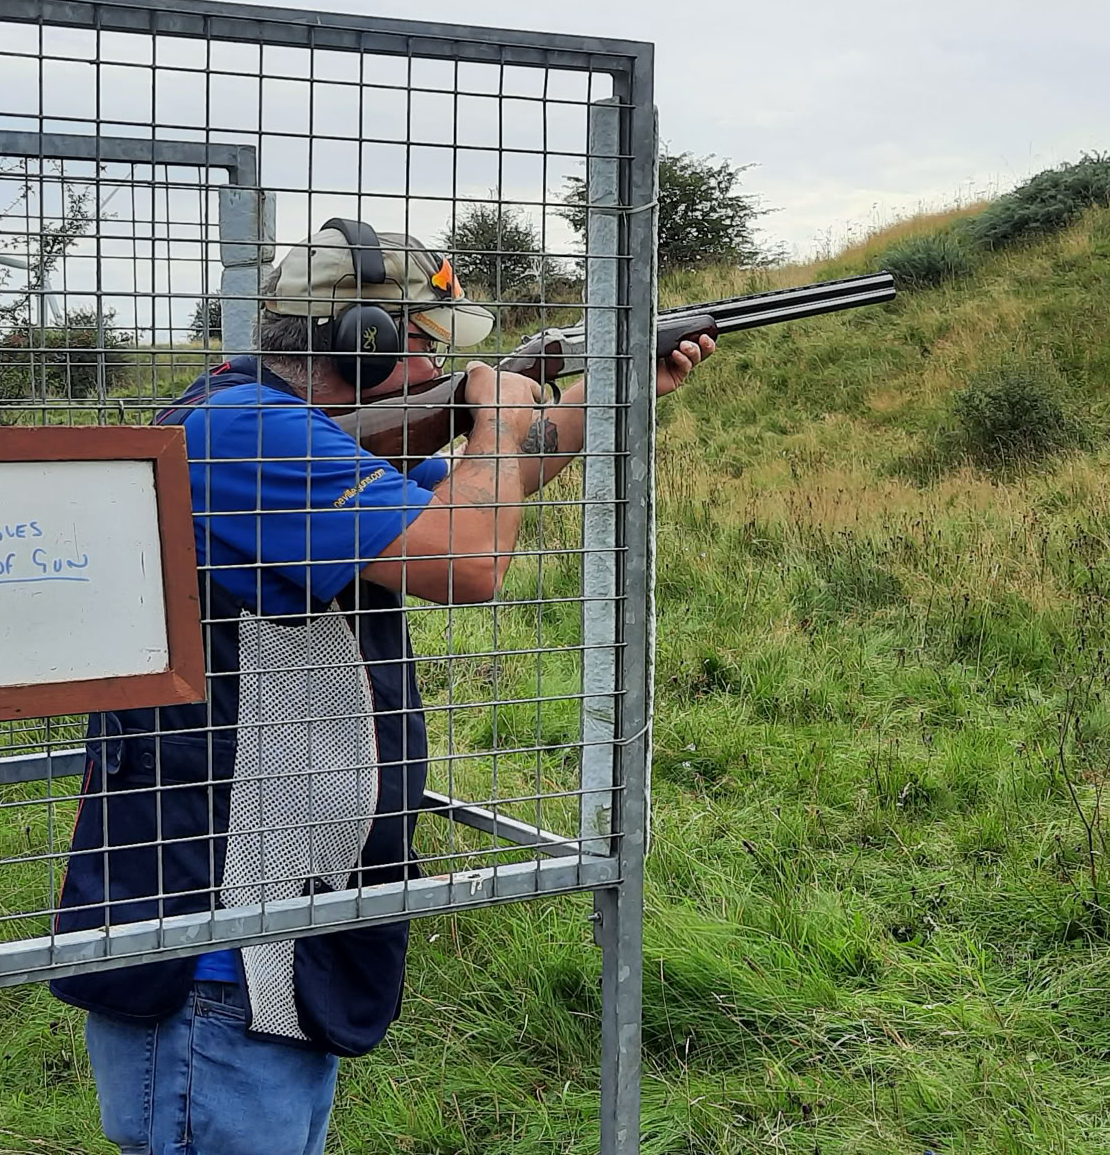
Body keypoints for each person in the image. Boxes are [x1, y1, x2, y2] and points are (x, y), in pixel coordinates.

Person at [50, 218, 713, 1155]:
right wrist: (489, 407)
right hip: (220, 948)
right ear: (361, 342)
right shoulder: (245, 433)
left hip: (273, 919)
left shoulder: (297, 432)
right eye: (425, 342)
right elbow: (469, 557)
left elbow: (492, 480)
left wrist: (617, 391)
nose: (440, 363)